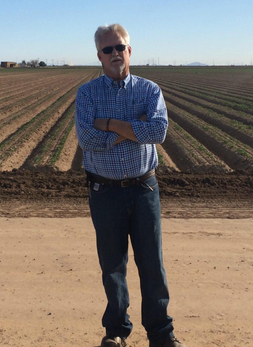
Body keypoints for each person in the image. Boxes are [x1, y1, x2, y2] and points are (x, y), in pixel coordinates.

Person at [75, 24, 186, 347]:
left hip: (143, 189)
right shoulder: (87, 93)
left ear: (130, 50)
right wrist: (133, 128)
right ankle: (116, 333)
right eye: (107, 50)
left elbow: (157, 133)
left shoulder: (149, 90)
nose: (115, 54)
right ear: (99, 55)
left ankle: (161, 334)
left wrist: (109, 124)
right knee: (112, 265)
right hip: (104, 191)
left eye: (119, 47)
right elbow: (87, 139)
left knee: (152, 263)